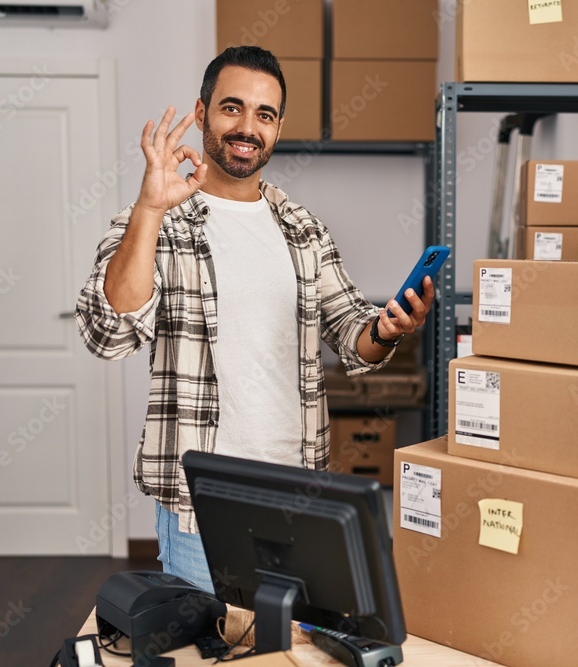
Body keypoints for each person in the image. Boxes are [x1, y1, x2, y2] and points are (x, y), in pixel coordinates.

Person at [75, 46, 434, 591]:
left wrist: (385, 329)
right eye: (231, 108)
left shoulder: (300, 227)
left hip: (298, 495)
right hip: (203, 505)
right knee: (211, 647)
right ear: (201, 115)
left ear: (278, 127)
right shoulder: (156, 222)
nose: (247, 127)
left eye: (264, 115)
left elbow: (348, 327)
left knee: (287, 649)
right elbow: (108, 332)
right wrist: (149, 210)